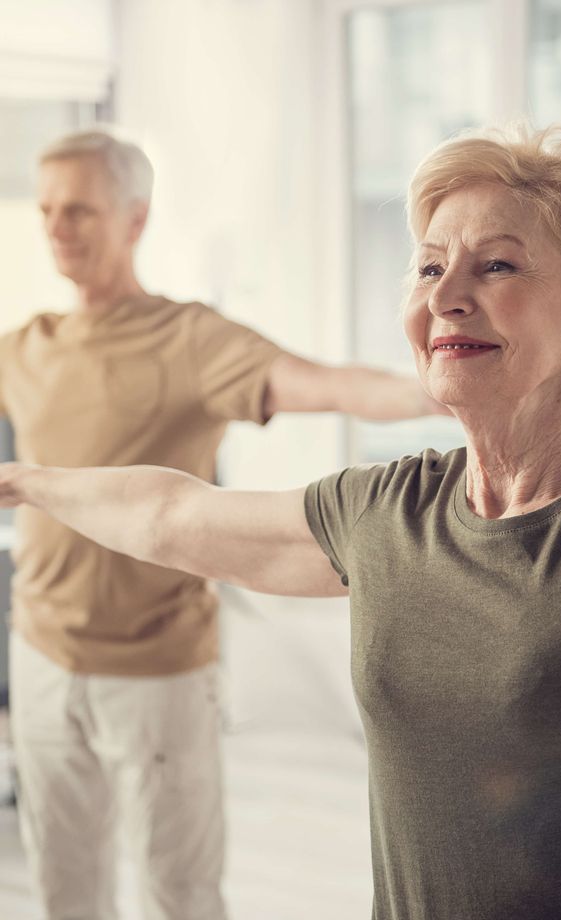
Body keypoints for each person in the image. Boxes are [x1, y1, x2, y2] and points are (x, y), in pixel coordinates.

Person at [1, 122, 561, 920]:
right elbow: (173, 515)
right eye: (429, 266)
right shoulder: (386, 514)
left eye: (498, 265)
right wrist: (22, 480)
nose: (446, 295)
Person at [2, 127, 446, 920]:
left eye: (79, 210)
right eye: (47, 211)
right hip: (40, 653)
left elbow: (327, 384)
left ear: (134, 218)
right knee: (64, 887)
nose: (57, 229)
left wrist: (444, 387)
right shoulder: (26, 346)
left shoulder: (191, 339)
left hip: (157, 668)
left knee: (180, 890)